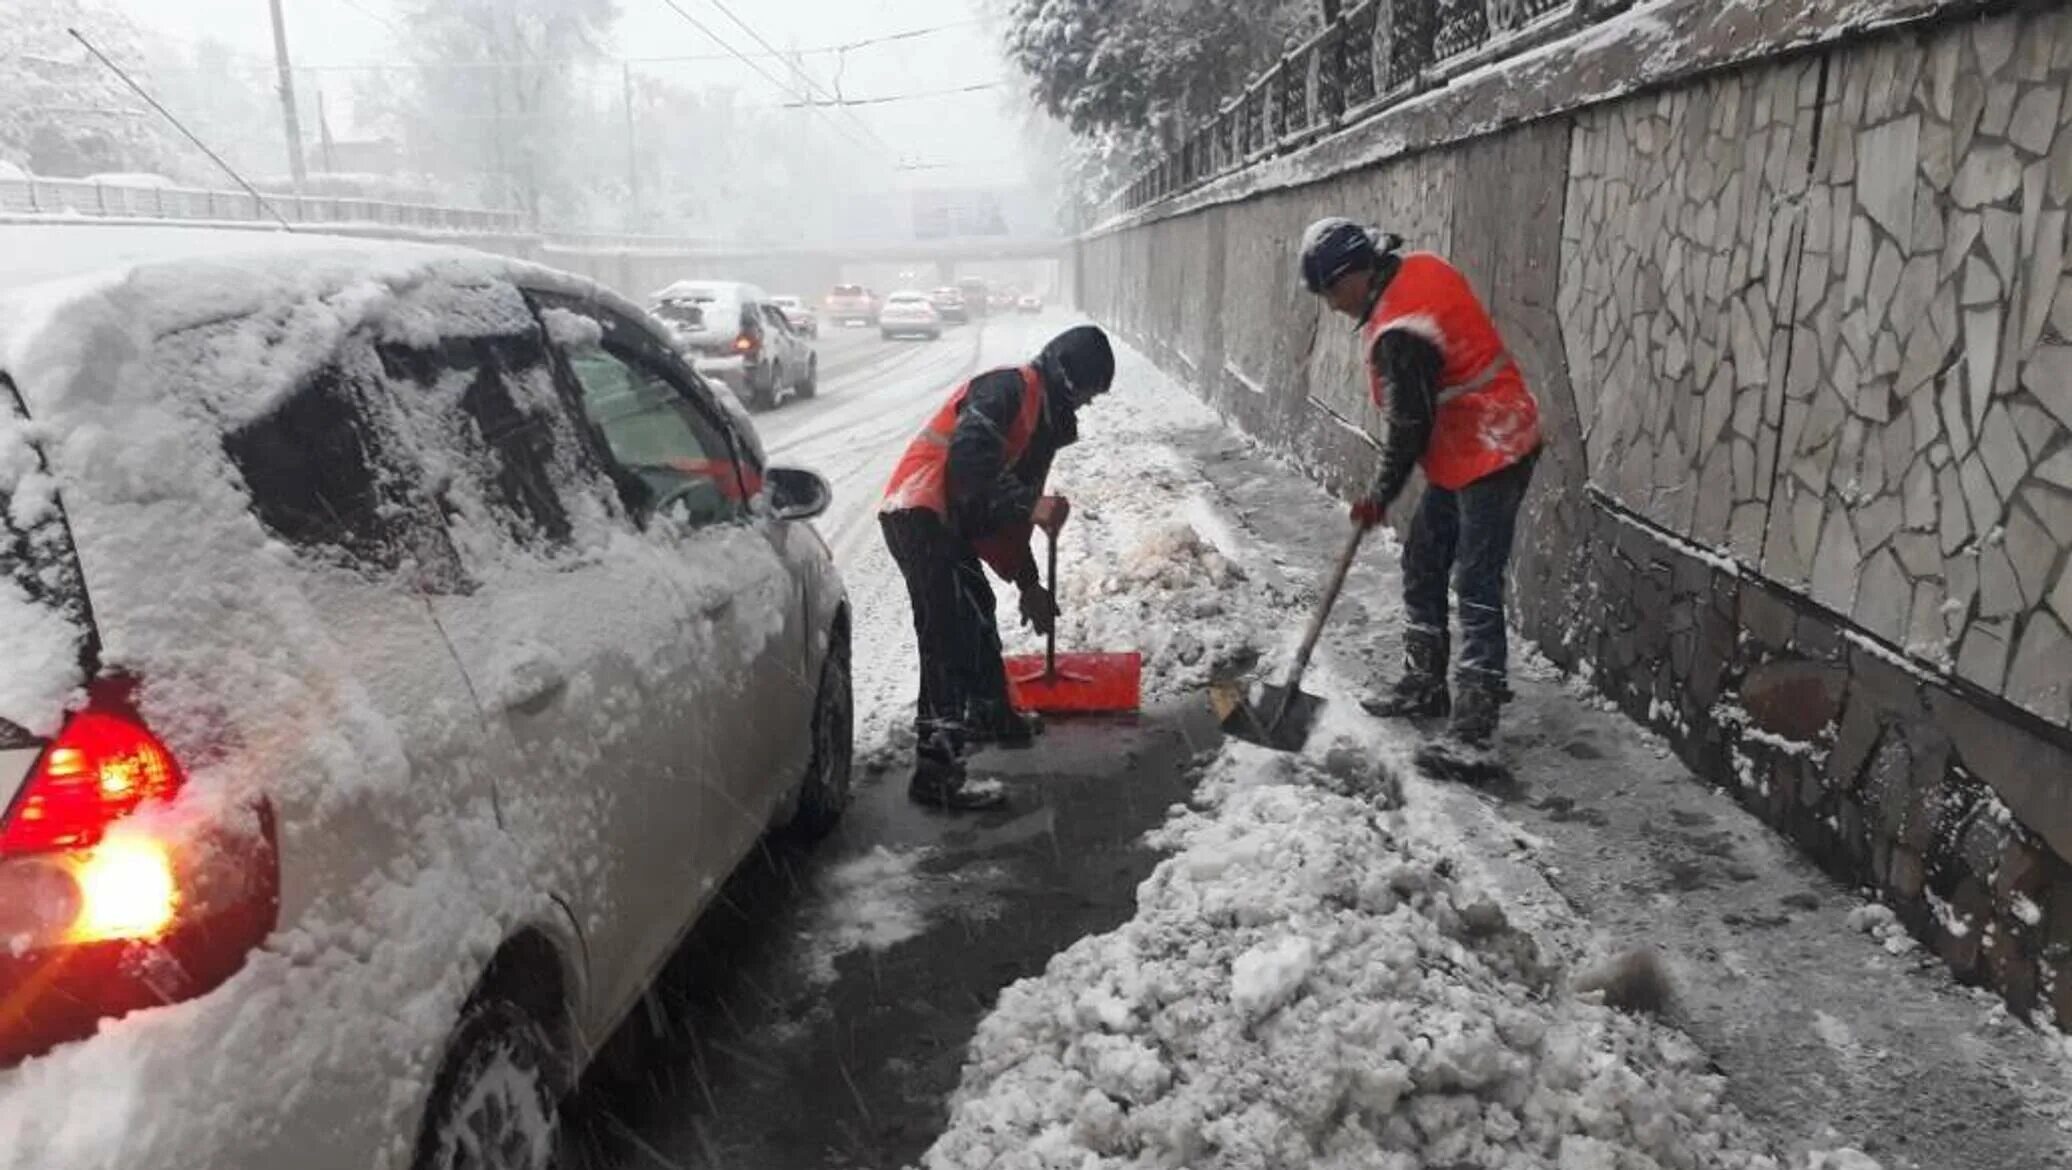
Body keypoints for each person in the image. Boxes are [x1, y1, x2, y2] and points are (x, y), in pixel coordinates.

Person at [1299, 218, 1542, 753]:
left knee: (1476, 582)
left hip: (1495, 445)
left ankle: (1474, 732)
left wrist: (1379, 497)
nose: (1333, 305)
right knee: (1424, 558)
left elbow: (1409, 428)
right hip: (1467, 446)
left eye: (1332, 291)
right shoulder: (1416, 269)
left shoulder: (1400, 332)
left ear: (1356, 274)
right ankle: (1425, 683)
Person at [880, 324, 1116, 810]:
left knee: (977, 609)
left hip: (945, 521)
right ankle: (936, 774)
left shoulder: (1040, 425)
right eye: (1088, 394)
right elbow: (968, 465)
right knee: (946, 635)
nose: (1087, 405)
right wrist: (1032, 505)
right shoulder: (1008, 388)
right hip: (918, 512)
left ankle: (991, 715)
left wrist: (1028, 584)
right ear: (1069, 381)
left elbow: (997, 518)